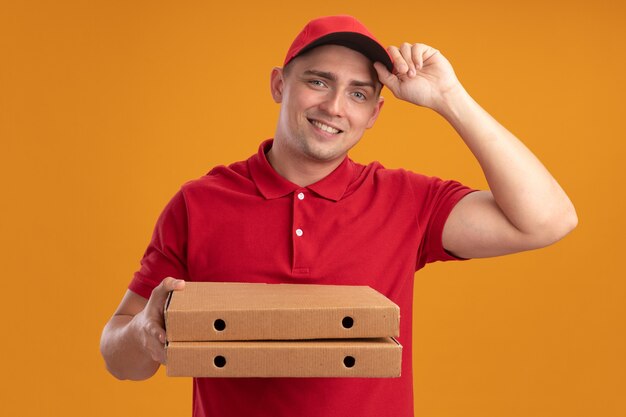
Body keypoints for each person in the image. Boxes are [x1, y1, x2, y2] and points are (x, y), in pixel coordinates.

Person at [100, 15, 577, 417]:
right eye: (318, 81)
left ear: (374, 114)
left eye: (358, 94)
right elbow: (119, 358)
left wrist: (450, 98)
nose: (333, 107)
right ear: (278, 84)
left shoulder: (407, 200)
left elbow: (547, 220)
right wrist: (144, 334)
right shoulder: (199, 203)